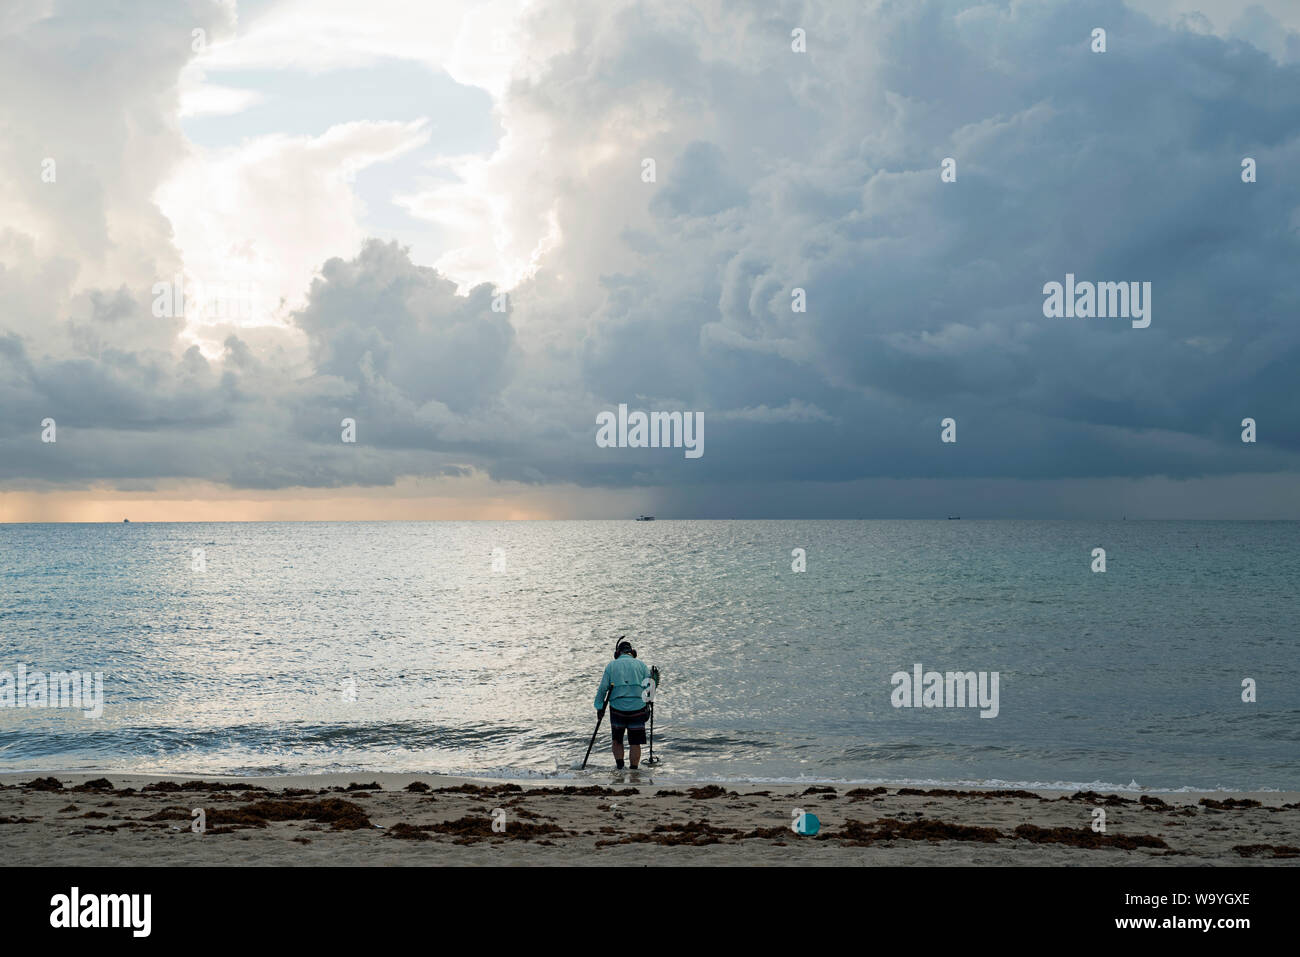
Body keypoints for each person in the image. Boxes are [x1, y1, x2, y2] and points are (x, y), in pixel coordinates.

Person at [594, 639, 652, 769]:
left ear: (617, 653)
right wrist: (647, 706)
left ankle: (620, 768)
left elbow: (603, 688)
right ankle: (634, 770)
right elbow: (650, 687)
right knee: (635, 743)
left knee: (617, 740)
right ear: (632, 652)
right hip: (638, 708)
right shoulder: (641, 665)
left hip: (617, 709)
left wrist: (599, 707)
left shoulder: (611, 666)